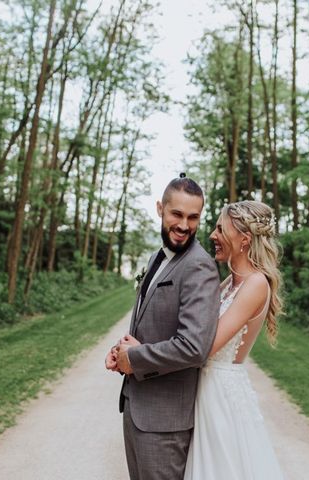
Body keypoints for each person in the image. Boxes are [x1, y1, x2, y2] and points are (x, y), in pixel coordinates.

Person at [121, 200, 285, 480]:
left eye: (221, 229)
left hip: (220, 397)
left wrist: (141, 354)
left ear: (244, 239)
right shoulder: (227, 283)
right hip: (201, 392)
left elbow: (204, 346)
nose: (212, 235)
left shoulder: (256, 284)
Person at [105, 175, 220, 480]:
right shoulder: (159, 256)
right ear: (160, 209)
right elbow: (151, 324)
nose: (184, 225)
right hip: (136, 405)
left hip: (164, 423)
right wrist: (121, 353)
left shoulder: (199, 266)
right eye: (177, 214)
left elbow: (193, 347)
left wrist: (136, 358)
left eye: (193, 217)